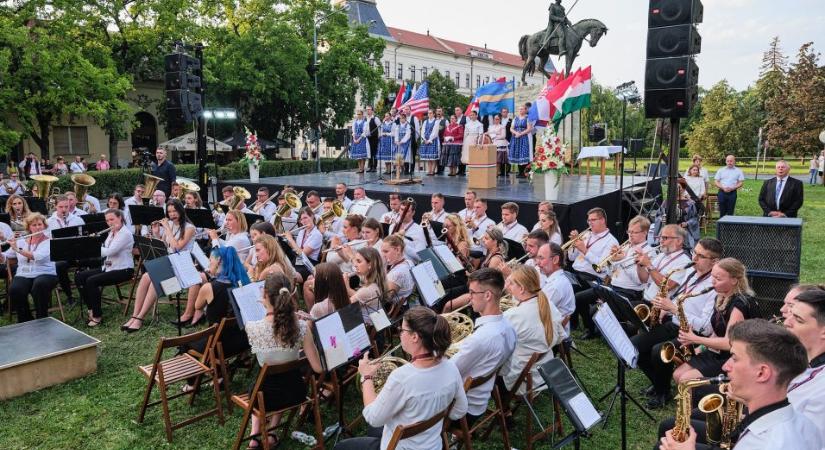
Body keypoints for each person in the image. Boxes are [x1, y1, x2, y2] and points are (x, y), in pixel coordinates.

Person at [658, 319, 821, 450]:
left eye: (734, 358)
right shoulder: (801, 424)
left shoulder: (769, 444)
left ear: (762, 373)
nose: (725, 367)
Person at [334, 307, 468, 450]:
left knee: (341, 447)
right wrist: (430, 416)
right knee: (377, 430)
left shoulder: (401, 377)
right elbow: (461, 409)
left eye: (402, 330)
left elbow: (373, 418)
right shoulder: (451, 367)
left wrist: (366, 376)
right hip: (432, 445)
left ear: (415, 337)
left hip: (400, 446)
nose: (400, 333)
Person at [633, 238, 722, 409]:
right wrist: (665, 308)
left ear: (715, 261)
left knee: (658, 351)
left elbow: (706, 327)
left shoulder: (714, 286)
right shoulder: (692, 272)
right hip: (674, 324)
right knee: (635, 345)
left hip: (692, 334)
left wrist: (673, 309)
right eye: (694, 252)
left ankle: (662, 393)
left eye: (700, 256)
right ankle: (660, 383)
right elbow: (680, 297)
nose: (694, 258)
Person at [243, 272, 323, 449]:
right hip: (295, 393)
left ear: (265, 295)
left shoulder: (253, 328)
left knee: (264, 382)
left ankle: (254, 436)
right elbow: (317, 368)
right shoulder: (301, 326)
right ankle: (271, 433)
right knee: (282, 377)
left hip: (263, 398)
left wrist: (265, 307)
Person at [671, 258, 759, 387]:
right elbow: (718, 331)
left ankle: (702, 404)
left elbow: (730, 343)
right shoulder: (721, 296)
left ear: (734, 280)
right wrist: (701, 348)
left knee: (687, 380)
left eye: (718, 279)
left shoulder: (739, 305)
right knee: (677, 374)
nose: (712, 282)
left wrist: (696, 339)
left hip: (735, 357)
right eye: (712, 276)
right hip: (717, 352)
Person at [450, 268, 517, 424]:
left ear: (487, 295)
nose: (469, 297)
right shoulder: (509, 328)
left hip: (461, 409)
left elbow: (446, 373)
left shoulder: (481, 339)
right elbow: (505, 370)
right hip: (479, 402)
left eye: (473, 293)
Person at [123, 200, 197, 331]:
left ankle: (140, 318)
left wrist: (167, 229)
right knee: (145, 276)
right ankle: (135, 316)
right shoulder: (169, 224)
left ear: (181, 210)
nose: (172, 214)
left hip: (182, 267)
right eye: (169, 212)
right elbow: (164, 246)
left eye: (175, 211)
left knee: (154, 282)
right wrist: (157, 234)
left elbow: (177, 246)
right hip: (168, 263)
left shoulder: (190, 228)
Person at [501, 265, 566, 393]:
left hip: (524, 379)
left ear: (522, 288)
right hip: (545, 369)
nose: (508, 287)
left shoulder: (512, 315)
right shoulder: (547, 302)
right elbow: (559, 338)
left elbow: (499, 350)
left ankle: (505, 408)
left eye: (511, 284)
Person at [75, 209, 135, 328]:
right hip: (108, 267)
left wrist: (92, 245)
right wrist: (96, 241)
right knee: (80, 276)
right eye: (107, 220)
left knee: (91, 281)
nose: (109, 222)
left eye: (112, 219)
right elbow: (105, 248)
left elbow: (110, 251)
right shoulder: (112, 232)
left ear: (120, 218)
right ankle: (91, 308)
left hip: (124, 270)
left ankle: (97, 316)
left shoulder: (125, 234)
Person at [785, 288, 825, 444]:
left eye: (798, 319)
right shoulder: (803, 360)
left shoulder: (821, 393)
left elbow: (806, 444)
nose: (787, 322)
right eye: (790, 314)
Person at [2, 213, 58, 323]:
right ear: (28, 227)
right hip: (24, 273)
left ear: (44, 226)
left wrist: (18, 249)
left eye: (40, 224)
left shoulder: (49, 241)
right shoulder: (21, 240)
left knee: (39, 285)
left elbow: (37, 256)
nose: (37, 227)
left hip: (45, 273)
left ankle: (42, 318)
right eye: (34, 225)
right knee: (15, 289)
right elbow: (7, 257)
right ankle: (25, 319)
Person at [536, 242, 576, 334]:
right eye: (537, 258)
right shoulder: (556, 279)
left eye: (541, 258)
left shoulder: (555, 286)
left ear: (555, 260)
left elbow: (536, 312)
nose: (537, 262)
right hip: (550, 330)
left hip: (551, 336)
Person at [344, 247, 387, 325]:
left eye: (359, 262)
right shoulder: (377, 281)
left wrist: (339, 286)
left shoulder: (366, 290)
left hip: (364, 327)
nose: (355, 265)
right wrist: (347, 288)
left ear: (370, 265)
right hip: (374, 324)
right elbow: (361, 297)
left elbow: (343, 308)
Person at [380, 234, 414, 307]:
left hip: (393, 310)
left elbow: (384, 299)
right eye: (382, 252)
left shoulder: (397, 273)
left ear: (398, 250)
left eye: (386, 251)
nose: (383, 255)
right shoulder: (408, 262)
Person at [508, 105, 533, 177]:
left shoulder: (528, 118)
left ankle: (523, 172)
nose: (520, 110)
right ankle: (519, 172)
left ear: (525, 110)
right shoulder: (515, 118)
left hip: (524, 137)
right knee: (517, 153)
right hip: (516, 137)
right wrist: (516, 133)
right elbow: (511, 128)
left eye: (522, 109)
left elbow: (529, 128)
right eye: (519, 109)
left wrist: (521, 134)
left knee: (523, 153)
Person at [419, 109, 441, 176]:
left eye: (431, 113)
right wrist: (424, 138)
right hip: (426, 140)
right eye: (428, 113)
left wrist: (429, 140)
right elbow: (422, 130)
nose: (429, 114)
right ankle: (429, 170)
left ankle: (433, 171)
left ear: (434, 114)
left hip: (432, 140)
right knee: (428, 157)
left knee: (433, 157)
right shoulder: (425, 121)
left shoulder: (436, 121)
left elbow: (435, 132)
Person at [349, 109, 370, 174]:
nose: (358, 116)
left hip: (362, 139)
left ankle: (362, 169)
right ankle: (359, 168)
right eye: (357, 114)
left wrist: (359, 139)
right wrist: (354, 138)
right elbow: (353, 132)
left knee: (362, 155)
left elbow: (365, 132)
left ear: (362, 115)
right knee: (357, 156)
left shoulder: (365, 123)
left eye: (359, 114)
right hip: (355, 139)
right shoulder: (354, 122)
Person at [365, 105, 381, 173]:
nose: (368, 111)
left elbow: (380, 127)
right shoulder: (366, 119)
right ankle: (370, 166)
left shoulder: (375, 118)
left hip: (374, 137)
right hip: (368, 137)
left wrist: (379, 136)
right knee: (369, 152)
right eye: (367, 109)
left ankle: (375, 167)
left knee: (374, 152)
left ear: (372, 110)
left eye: (369, 109)